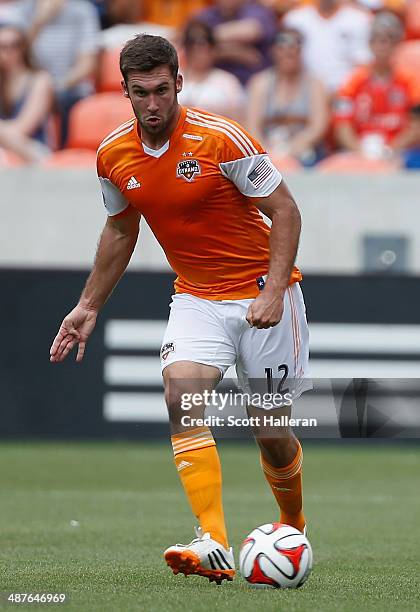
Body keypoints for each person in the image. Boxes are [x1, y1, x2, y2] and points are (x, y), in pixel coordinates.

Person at [50, 34, 310, 584]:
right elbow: (122, 228)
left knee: (271, 432)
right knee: (180, 391)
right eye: (140, 93)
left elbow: (285, 212)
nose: (152, 104)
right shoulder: (112, 155)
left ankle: (292, 523)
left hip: (264, 290)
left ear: (178, 85)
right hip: (196, 295)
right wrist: (87, 305)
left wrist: (272, 290)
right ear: (123, 90)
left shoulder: (223, 140)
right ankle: (212, 541)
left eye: (161, 91)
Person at [333, 11, 420, 163]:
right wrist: (359, 150)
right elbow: (342, 125)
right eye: (378, 40)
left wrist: (391, 148)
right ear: (370, 44)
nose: (383, 45)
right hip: (360, 150)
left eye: (389, 40)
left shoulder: (411, 81)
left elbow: (417, 125)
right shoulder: (353, 81)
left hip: (400, 151)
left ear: (397, 44)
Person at [17, 0, 100, 146]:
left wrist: (56, 86)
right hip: (30, 87)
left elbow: (87, 64)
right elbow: (16, 54)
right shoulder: (23, 9)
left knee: (64, 100)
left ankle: (59, 154)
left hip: (69, 88)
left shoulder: (82, 10)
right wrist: (40, 21)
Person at [247, 27, 329, 166]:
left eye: (293, 50)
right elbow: (252, 126)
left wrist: (293, 148)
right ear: (273, 52)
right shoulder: (260, 83)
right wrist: (266, 151)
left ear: (301, 52)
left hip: (304, 150)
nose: (288, 54)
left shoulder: (314, 84)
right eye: (282, 50)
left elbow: (318, 125)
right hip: (268, 149)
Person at [283, 0, 372, 93]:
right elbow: (286, 64)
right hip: (305, 93)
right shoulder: (294, 20)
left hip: (346, 95)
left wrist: (344, 93)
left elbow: (363, 65)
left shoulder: (359, 20)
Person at [0, 24, 53, 162]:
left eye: (14, 45)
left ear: (24, 48)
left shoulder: (40, 80)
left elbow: (23, 128)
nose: (8, 52)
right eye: (2, 46)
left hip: (32, 151)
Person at [196, 0, 277, 86]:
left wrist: (211, 40)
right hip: (215, 85)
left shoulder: (256, 9)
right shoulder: (206, 16)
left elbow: (251, 31)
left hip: (252, 84)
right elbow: (197, 46)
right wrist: (239, 53)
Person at [178, 21, 245, 121]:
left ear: (214, 50)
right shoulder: (173, 76)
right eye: (192, 44)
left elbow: (239, 120)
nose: (199, 50)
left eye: (205, 45)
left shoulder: (228, 81)